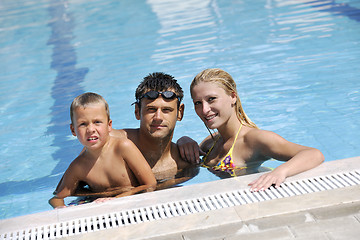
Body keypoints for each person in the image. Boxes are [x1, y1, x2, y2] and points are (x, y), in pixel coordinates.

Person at [189, 68, 324, 191]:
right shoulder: (211, 142)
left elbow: (314, 154)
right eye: (198, 103)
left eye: (211, 99)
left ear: (233, 97)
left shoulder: (253, 139)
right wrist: (185, 141)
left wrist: (280, 172)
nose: (205, 110)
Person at [49, 92, 157, 208]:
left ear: (109, 125)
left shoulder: (123, 147)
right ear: (73, 130)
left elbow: (150, 184)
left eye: (97, 122)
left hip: (135, 203)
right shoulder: (78, 166)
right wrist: (61, 208)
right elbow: (57, 197)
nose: (91, 129)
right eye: (83, 124)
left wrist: (116, 199)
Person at [111, 72, 197, 181]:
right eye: (151, 109)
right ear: (137, 111)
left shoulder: (185, 161)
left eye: (166, 110)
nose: (158, 117)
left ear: (180, 112)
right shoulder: (113, 142)